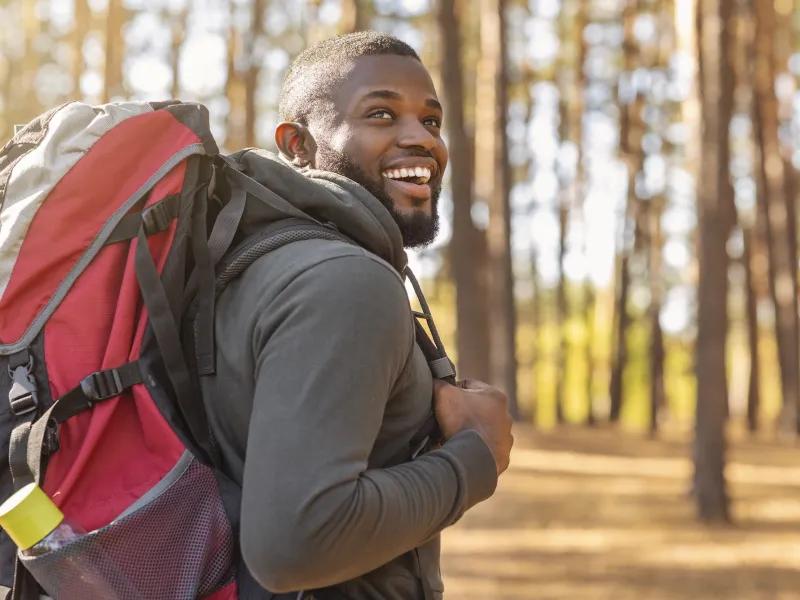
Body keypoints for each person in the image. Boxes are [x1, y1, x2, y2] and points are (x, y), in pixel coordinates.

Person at [200, 31, 514, 600]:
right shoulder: (345, 281)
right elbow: (295, 544)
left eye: (432, 121)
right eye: (381, 114)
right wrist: (477, 455)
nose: (421, 140)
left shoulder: (256, 265)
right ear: (298, 144)